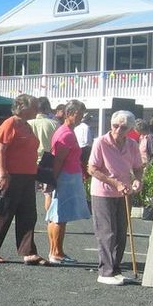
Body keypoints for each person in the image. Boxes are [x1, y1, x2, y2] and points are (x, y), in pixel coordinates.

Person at [0, 94, 50, 265]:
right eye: (34, 106)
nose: (37, 109)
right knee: (4, 212)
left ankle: (28, 252)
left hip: (28, 174)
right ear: (23, 107)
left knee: (28, 214)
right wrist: (3, 174)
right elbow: (0, 150)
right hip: (11, 174)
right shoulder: (9, 124)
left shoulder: (26, 126)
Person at [87, 110, 143, 286]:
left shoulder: (132, 144)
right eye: (115, 126)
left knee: (120, 232)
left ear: (130, 129)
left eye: (123, 127)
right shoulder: (101, 142)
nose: (118, 130)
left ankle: (115, 269)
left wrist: (138, 180)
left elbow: (138, 167)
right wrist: (115, 183)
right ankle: (105, 271)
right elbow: (92, 169)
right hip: (103, 192)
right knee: (107, 232)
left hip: (124, 191)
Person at [45, 100, 91, 264]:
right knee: (59, 216)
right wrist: (53, 180)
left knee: (55, 215)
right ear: (69, 114)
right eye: (78, 114)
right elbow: (58, 160)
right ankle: (56, 253)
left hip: (66, 175)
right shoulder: (66, 133)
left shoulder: (64, 131)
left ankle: (55, 251)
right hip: (66, 176)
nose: (81, 117)